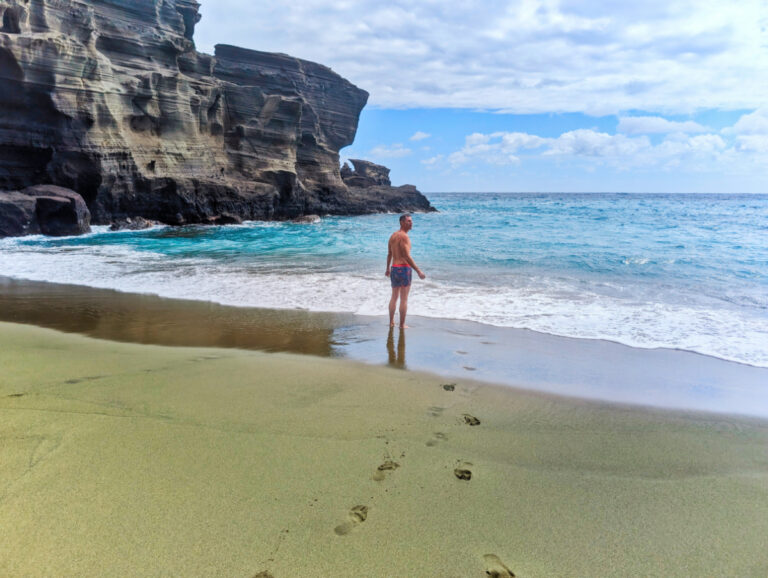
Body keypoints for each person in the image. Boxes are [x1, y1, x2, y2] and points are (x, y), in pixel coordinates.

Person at [385, 214, 425, 328]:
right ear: (402, 222)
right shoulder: (404, 237)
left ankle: (391, 322)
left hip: (394, 268)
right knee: (403, 299)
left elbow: (389, 254)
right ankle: (402, 324)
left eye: (411, 221)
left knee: (394, 297)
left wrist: (387, 268)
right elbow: (407, 256)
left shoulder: (392, 236)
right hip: (404, 269)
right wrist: (418, 271)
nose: (411, 223)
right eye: (408, 221)